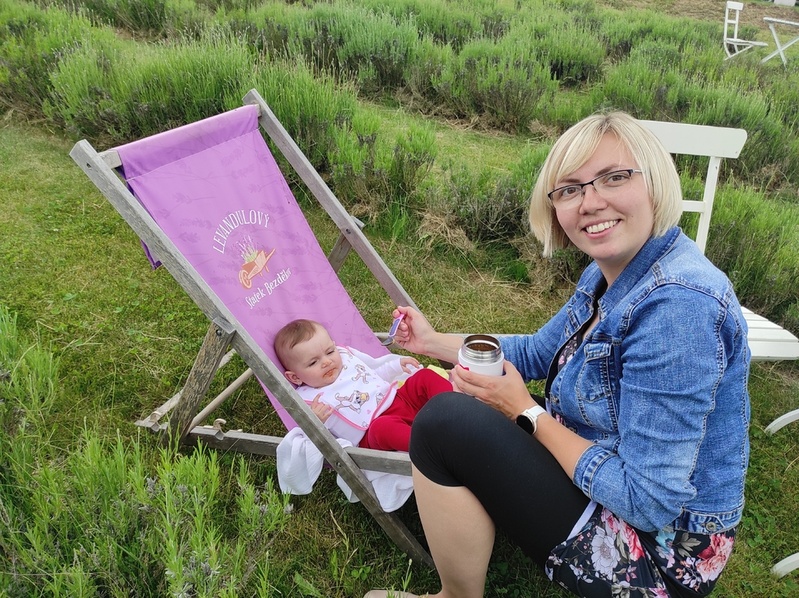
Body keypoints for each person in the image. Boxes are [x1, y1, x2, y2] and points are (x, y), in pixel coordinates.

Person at [364, 112, 751, 597]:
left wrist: (525, 412)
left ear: (654, 180)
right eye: (570, 189)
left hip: (660, 556)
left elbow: (647, 502)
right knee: (460, 410)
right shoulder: (613, 270)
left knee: (446, 421)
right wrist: (432, 342)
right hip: (609, 476)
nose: (591, 202)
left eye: (614, 177)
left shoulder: (679, 308)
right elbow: (538, 351)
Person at [274, 318, 452, 452]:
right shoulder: (311, 402)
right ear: (295, 377)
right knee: (384, 429)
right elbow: (310, 442)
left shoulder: (345, 361)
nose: (327, 362)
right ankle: (435, 447)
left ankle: (455, 410)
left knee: (424, 377)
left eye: (330, 351)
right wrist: (314, 422)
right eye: (313, 362)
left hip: (399, 399)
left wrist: (395, 366)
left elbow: (372, 375)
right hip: (372, 429)